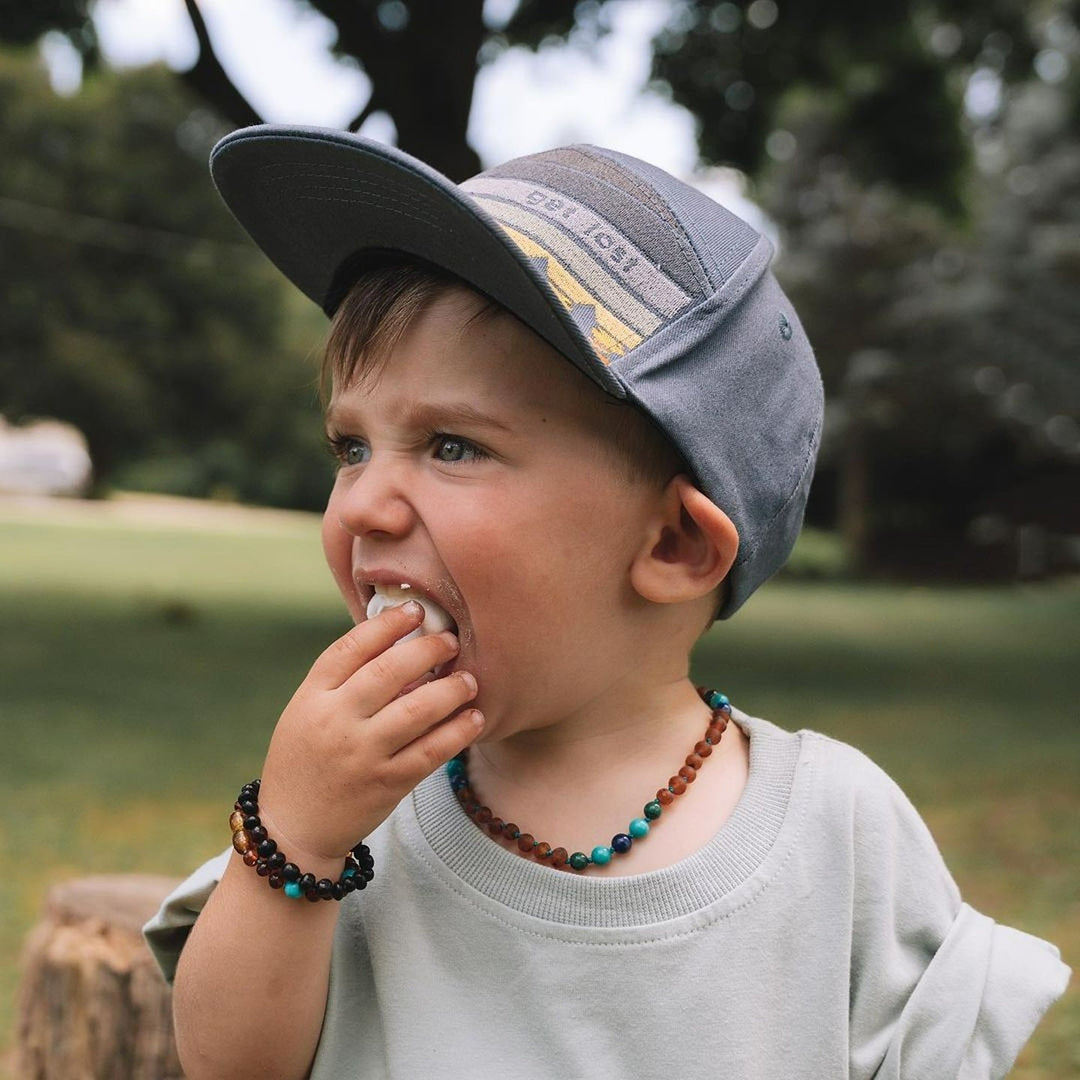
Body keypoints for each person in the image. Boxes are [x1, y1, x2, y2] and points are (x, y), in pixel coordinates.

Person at [145, 128, 1069, 1080]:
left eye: (453, 445)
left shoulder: (838, 834)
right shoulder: (351, 812)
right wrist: (291, 838)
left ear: (673, 546)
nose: (363, 504)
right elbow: (228, 1065)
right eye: (352, 447)